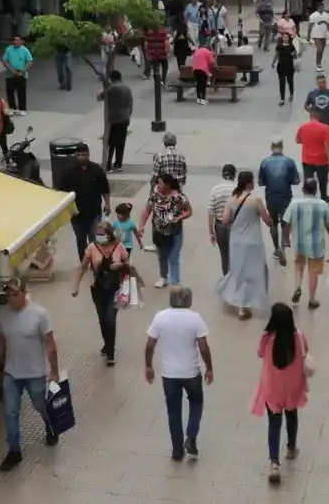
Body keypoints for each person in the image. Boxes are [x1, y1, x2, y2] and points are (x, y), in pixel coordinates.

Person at [0, 278, 59, 471]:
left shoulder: (39, 314)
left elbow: (50, 345)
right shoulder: (2, 314)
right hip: (11, 373)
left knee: (40, 405)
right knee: (10, 412)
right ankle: (14, 451)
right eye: (8, 295)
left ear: (24, 293)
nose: (11, 299)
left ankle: (50, 424)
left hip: (34, 373)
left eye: (15, 294)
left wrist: (54, 371)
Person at [145, 286, 213, 461]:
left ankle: (177, 450)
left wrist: (149, 366)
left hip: (169, 374)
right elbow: (203, 347)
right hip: (191, 372)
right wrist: (209, 368)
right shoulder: (195, 318)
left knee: (173, 410)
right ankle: (191, 437)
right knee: (196, 403)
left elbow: (150, 345)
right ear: (188, 300)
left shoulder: (160, 317)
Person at [250, 303, 309, 485]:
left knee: (274, 423)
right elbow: (306, 351)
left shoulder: (267, 338)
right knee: (292, 416)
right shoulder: (298, 337)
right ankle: (291, 447)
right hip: (292, 386)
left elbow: (260, 353)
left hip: (272, 388)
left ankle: (274, 464)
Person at [70, 220, 128, 366]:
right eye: (98, 234)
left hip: (115, 288)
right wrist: (76, 286)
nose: (99, 237)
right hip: (98, 289)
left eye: (102, 234)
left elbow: (128, 263)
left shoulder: (118, 246)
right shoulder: (92, 248)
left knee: (110, 319)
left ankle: (110, 353)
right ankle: (107, 343)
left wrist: (119, 265)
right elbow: (83, 267)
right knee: (102, 319)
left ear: (109, 234)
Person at [216, 171, 272, 320]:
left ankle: (241, 307)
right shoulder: (255, 199)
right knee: (255, 272)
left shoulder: (232, 199)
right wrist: (271, 221)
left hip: (236, 241)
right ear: (248, 183)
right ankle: (249, 303)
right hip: (253, 242)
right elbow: (267, 220)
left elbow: (225, 220)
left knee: (238, 272)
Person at [282, 178, 329, 309]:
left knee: (299, 267)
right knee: (313, 272)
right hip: (316, 246)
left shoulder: (294, 204)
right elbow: (328, 224)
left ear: (303, 189)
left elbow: (286, 223)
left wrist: (286, 238)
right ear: (316, 190)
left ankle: (297, 288)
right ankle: (312, 299)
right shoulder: (323, 205)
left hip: (299, 243)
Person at [58, 143, 111, 261]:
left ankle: (95, 262)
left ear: (88, 155)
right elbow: (61, 192)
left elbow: (105, 188)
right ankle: (83, 261)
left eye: (84, 154)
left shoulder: (96, 170)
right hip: (76, 214)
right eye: (79, 155)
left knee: (95, 239)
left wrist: (107, 204)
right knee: (81, 239)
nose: (81, 157)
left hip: (94, 212)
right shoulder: (69, 172)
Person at [140, 173, 192, 287]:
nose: (157, 186)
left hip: (175, 232)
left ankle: (175, 282)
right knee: (162, 256)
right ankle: (163, 277)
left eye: (160, 183)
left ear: (167, 185)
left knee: (173, 256)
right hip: (159, 232)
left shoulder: (179, 197)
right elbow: (146, 211)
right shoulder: (154, 197)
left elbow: (189, 211)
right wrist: (141, 226)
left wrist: (179, 217)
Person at [258, 139, 300, 265]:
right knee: (285, 222)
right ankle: (282, 247)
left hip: (271, 197)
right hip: (285, 197)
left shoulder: (265, 163)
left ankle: (276, 248)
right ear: (282, 147)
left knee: (273, 223)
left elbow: (261, 182)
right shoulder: (289, 162)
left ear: (271, 147)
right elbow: (296, 181)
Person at [295, 110, 329, 203]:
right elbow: (327, 146)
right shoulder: (325, 128)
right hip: (321, 160)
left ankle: (308, 197)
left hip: (307, 159)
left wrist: (307, 142)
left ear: (310, 115)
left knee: (308, 179)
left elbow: (297, 140)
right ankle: (324, 197)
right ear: (319, 116)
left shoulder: (303, 127)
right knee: (322, 180)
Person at [99, 70, 133, 172]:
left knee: (111, 143)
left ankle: (108, 164)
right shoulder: (127, 88)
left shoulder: (110, 89)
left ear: (111, 79)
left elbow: (100, 97)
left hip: (113, 119)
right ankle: (118, 164)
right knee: (121, 142)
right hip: (124, 118)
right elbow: (130, 103)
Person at [208, 163, 237, 276]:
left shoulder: (215, 189)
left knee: (224, 255)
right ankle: (235, 277)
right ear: (234, 175)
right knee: (235, 254)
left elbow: (210, 212)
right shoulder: (237, 189)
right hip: (235, 224)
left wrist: (211, 232)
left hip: (219, 225)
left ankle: (226, 277)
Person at [1, 36, 33, 114]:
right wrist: (12, 70)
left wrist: (23, 71)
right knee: (10, 92)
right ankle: (13, 108)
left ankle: (22, 109)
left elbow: (29, 61)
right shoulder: (9, 49)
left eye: (18, 40)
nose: (16, 42)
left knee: (21, 92)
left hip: (21, 74)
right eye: (15, 40)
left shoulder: (25, 50)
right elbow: (5, 61)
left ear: (21, 41)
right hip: (10, 74)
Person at [272, 33, 298, 106]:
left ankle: (291, 94)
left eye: (286, 37)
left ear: (289, 38)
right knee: (281, 83)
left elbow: (295, 56)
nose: (285, 38)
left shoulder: (292, 47)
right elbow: (276, 55)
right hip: (281, 67)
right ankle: (282, 98)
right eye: (284, 37)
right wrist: (273, 62)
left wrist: (293, 54)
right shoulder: (279, 46)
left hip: (289, 67)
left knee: (290, 82)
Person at [306, 2, 329, 71]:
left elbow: (328, 25)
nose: (322, 8)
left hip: (324, 35)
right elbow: (310, 26)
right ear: (317, 8)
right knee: (319, 49)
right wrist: (308, 36)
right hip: (316, 35)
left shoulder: (326, 15)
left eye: (323, 7)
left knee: (322, 51)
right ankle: (318, 64)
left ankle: (319, 63)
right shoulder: (313, 15)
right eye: (320, 7)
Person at [188, 41, 215, 106]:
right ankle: (203, 100)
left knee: (198, 84)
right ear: (210, 49)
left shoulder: (197, 51)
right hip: (202, 69)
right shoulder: (208, 52)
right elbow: (212, 62)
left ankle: (198, 99)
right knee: (203, 85)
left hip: (195, 69)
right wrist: (210, 68)